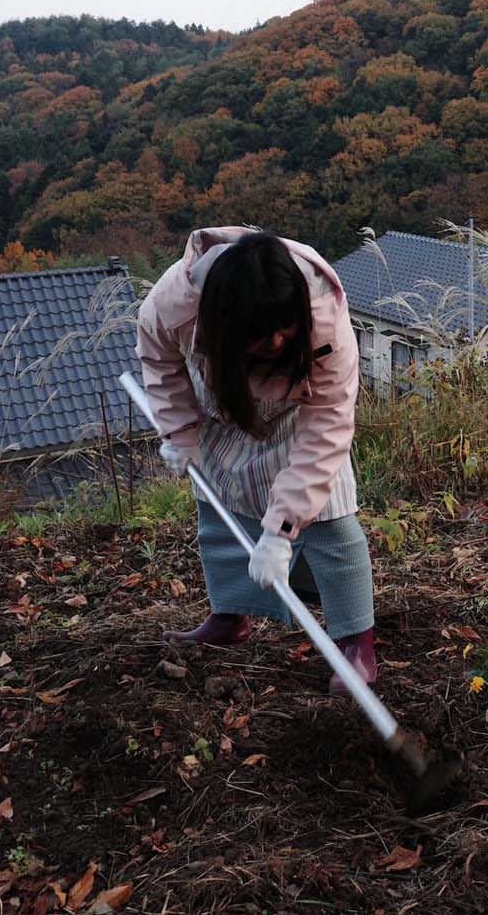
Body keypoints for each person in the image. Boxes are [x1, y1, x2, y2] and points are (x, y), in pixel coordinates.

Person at [135, 226, 376, 695]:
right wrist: (179, 433)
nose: (279, 342)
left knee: (333, 525)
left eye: (286, 328)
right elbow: (160, 363)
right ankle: (229, 617)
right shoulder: (174, 304)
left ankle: (355, 643)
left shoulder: (322, 313)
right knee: (220, 512)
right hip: (221, 406)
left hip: (299, 416)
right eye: (262, 336)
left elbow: (328, 426)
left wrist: (281, 530)